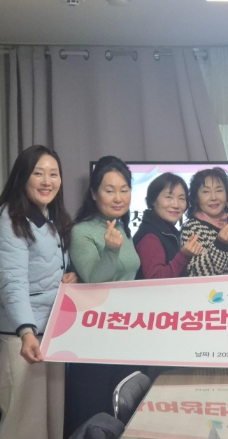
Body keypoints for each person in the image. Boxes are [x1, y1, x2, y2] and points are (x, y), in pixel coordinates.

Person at [0, 145, 75, 439]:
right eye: (38, 173)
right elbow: (11, 282)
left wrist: (68, 275)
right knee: (24, 425)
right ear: (22, 177)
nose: (47, 181)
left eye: (54, 174)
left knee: (51, 421)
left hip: (50, 331)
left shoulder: (49, 217)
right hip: (21, 337)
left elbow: (45, 267)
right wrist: (25, 331)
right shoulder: (7, 220)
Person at [65, 156, 143, 435]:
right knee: (96, 416)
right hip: (95, 338)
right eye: (110, 190)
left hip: (126, 333)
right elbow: (94, 280)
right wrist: (110, 250)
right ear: (94, 193)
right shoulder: (82, 231)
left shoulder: (122, 227)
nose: (118, 197)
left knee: (125, 409)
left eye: (124, 189)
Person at [132, 173, 202, 278]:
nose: (176, 205)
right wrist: (184, 255)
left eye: (181, 198)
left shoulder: (168, 231)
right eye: (169, 197)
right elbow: (156, 280)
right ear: (153, 200)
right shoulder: (150, 237)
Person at [181, 167, 228, 276]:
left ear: (227, 195)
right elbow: (199, 274)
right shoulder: (191, 228)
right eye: (206, 192)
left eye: (219, 190)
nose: (213, 197)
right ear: (196, 198)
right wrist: (221, 244)